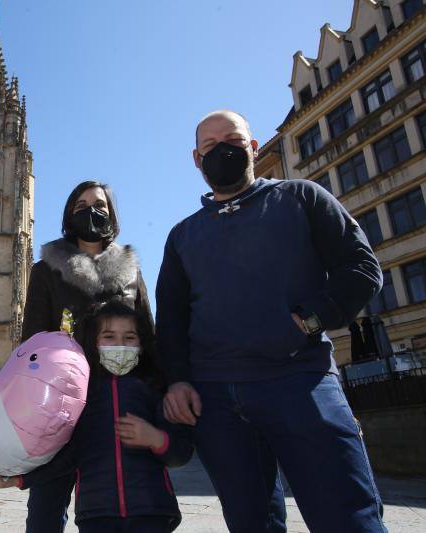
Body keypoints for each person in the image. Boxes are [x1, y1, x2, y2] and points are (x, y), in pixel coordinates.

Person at [156, 109, 386, 532]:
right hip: (216, 402)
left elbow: (362, 269)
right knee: (250, 524)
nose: (222, 150)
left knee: (347, 518)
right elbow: (170, 319)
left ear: (254, 147)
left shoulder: (301, 197)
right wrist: (177, 380)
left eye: (233, 140)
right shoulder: (182, 236)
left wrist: (306, 322)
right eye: (210, 146)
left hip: (300, 381)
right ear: (196, 159)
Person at [0, 301, 192, 532]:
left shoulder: (153, 390)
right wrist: (18, 480)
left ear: (142, 344)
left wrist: (155, 439)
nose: (119, 345)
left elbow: (181, 453)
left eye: (130, 337)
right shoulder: (84, 397)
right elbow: (66, 459)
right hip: (96, 516)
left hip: (152, 513)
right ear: (94, 343)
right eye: (109, 337)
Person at [21, 180, 155, 533]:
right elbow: (32, 344)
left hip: (117, 402)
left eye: (98, 205)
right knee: (45, 513)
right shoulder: (46, 270)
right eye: (80, 205)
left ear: (111, 214)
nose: (90, 211)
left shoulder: (131, 270)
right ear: (68, 215)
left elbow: (149, 339)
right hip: (61, 406)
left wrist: (157, 397)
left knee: (111, 512)